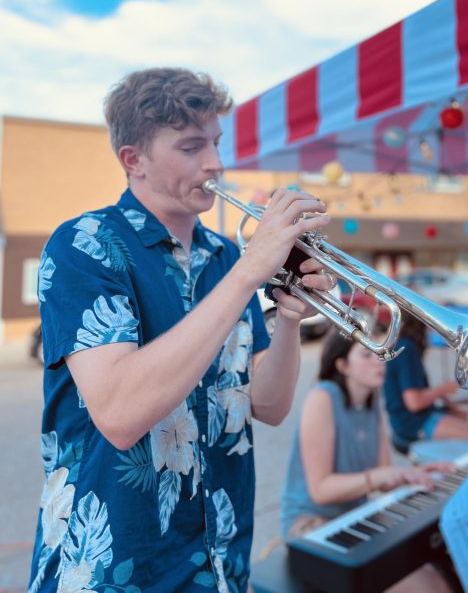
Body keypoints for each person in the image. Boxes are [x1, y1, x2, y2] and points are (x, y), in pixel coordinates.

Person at [28, 67, 334, 593]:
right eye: (192, 147)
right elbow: (121, 413)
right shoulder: (84, 245)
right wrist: (249, 274)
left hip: (220, 562)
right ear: (134, 160)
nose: (216, 163)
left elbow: (270, 405)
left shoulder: (226, 257)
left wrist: (287, 317)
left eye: (215, 143)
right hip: (115, 566)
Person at [280, 330, 456, 592]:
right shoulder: (323, 397)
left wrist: (414, 473)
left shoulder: (373, 401)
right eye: (366, 355)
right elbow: (320, 490)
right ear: (342, 365)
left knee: (434, 576)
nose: (379, 361)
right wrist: (377, 478)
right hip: (310, 522)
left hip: (355, 518)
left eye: (379, 354)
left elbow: (383, 475)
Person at [384, 311, 468, 452]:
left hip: (422, 415)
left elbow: (416, 391)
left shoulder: (405, 345)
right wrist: (444, 388)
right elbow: (414, 402)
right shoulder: (406, 349)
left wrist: (445, 400)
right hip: (413, 423)